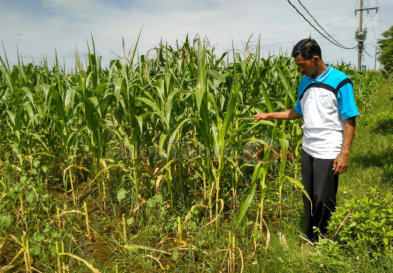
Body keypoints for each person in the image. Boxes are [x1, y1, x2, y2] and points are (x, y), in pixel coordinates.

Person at [254, 38, 359, 241]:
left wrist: (344, 153)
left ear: (315, 59)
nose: (300, 70)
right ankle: (311, 237)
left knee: (324, 198)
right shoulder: (305, 81)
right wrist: (268, 115)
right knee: (309, 197)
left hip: (329, 149)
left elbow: (349, 119)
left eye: (302, 65)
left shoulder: (340, 81)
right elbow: (297, 112)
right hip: (308, 148)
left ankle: (323, 239)